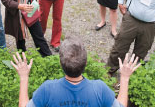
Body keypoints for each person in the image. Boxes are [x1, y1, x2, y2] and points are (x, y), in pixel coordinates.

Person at [11, 37, 141, 107]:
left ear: (61, 63)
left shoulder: (48, 89)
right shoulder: (99, 89)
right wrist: (124, 78)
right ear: (85, 63)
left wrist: (23, 77)